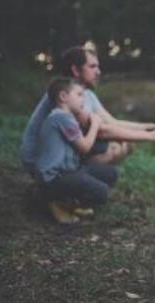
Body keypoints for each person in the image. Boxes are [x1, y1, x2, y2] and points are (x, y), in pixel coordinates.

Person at [21, 46, 155, 173]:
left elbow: (113, 122)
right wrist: (152, 136)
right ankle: (69, 189)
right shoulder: (68, 96)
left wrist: (152, 126)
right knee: (116, 146)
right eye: (92, 66)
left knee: (125, 143)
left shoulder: (85, 93)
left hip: (60, 155)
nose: (98, 71)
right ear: (75, 70)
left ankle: (79, 186)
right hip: (38, 161)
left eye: (98, 66)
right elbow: (102, 130)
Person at [35, 77, 118, 224]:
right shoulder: (61, 117)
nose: (83, 100)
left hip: (68, 173)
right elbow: (85, 147)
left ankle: (70, 199)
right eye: (79, 95)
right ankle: (59, 203)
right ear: (63, 97)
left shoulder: (66, 117)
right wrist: (95, 124)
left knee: (111, 173)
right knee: (102, 192)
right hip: (53, 179)